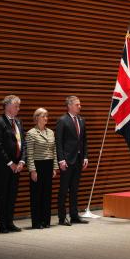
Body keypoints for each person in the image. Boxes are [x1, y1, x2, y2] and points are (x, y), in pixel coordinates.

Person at [0, 95, 26, 233]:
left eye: (19, 106)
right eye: (16, 105)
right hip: (4, 166)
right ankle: (2, 224)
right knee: (3, 195)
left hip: (17, 165)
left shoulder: (18, 122)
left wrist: (22, 161)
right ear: (7, 106)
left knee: (12, 195)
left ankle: (10, 222)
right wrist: (10, 162)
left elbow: (23, 143)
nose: (18, 108)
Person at [55, 96, 88, 225]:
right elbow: (59, 142)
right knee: (63, 190)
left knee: (74, 189)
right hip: (67, 161)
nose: (80, 106)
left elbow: (84, 140)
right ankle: (62, 217)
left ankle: (74, 215)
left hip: (78, 160)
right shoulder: (62, 120)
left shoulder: (81, 120)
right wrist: (61, 159)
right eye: (77, 104)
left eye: (79, 104)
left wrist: (85, 156)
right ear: (69, 105)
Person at [26, 108, 57, 229]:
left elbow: (53, 150)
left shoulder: (50, 132)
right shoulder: (31, 133)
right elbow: (30, 154)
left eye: (47, 116)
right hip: (38, 165)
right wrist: (32, 170)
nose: (46, 118)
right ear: (37, 117)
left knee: (47, 194)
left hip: (48, 165)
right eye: (43, 116)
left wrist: (54, 167)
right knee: (37, 195)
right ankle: (37, 222)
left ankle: (46, 220)